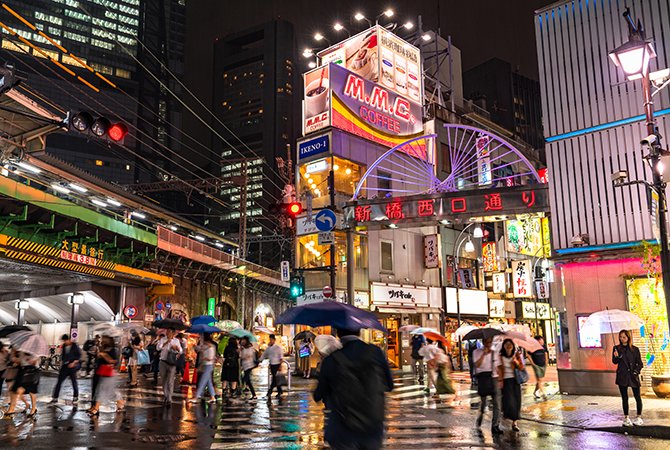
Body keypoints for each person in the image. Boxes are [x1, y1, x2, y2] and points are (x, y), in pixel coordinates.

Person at [314, 328, 394, 450]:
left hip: (342, 427)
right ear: (360, 332)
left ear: (339, 334)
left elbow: (318, 395)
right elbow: (389, 385)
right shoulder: (375, 352)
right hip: (371, 426)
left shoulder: (331, 360)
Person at [613, 329, 644, 426]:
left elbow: (640, 363)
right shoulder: (616, 348)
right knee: (624, 398)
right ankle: (626, 417)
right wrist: (617, 357)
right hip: (622, 376)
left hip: (632, 376)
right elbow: (614, 361)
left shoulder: (635, 349)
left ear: (628, 337)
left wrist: (635, 372)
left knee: (637, 397)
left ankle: (638, 417)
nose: (622, 339)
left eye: (624, 337)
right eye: (620, 337)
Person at [87, 335, 124, 415]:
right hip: (100, 371)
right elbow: (97, 357)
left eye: (104, 338)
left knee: (101, 391)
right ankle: (120, 402)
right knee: (105, 391)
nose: (102, 340)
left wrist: (103, 355)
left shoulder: (113, 350)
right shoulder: (102, 347)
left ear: (109, 340)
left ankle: (96, 408)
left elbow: (113, 361)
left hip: (108, 373)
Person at [473, 337, 502, 434]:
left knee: (497, 403)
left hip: (494, 378)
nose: (488, 344)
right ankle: (480, 416)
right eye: (486, 342)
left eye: (490, 342)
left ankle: (495, 425)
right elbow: (477, 365)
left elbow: (498, 367)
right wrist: (484, 354)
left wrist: (501, 379)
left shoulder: (495, 353)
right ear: (483, 342)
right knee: (483, 402)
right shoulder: (476, 352)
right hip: (483, 378)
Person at [498, 338, 524, 432]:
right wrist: (500, 380)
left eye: (510, 344)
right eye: (506, 344)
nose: (508, 346)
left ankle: (515, 423)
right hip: (506, 380)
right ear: (503, 346)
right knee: (508, 401)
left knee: (517, 401)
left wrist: (516, 361)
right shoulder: (500, 356)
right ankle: (507, 415)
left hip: (515, 380)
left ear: (513, 346)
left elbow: (522, 367)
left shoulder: (516, 355)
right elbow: (499, 368)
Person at [4, 351, 40, 418]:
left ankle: (33, 408)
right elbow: (20, 361)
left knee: (31, 391)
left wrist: (33, 360)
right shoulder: (22, 351)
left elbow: (36, 361)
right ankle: (12, 408)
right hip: (22, 371)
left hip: (32, 371)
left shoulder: (35, 352)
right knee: (15, 389)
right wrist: (15, 360)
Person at [49, 334, 81, 405]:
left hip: (72, 367)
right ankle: (55, 398)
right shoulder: (64, 346)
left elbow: (78, 356)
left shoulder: (75, 346)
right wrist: (61, 363)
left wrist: (74, 363)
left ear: (69, 340)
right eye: (63, 341)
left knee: (74, 382)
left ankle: (75, 397)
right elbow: (63, 356)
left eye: (65, 340)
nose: (64, 342)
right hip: (65, 366)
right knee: (59, 382)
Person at [156, 329, 183, 405]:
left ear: (173, 333)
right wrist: (166, 343)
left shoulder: (176, 341)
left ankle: (169, 398)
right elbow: (158, 348)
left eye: (171, 332)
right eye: (168, 332)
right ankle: (166, 395)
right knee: (164, 379)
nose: (169, 333)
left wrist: (177, 348)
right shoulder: (162, 339)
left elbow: (180, 350)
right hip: (163, 361)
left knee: (170, 381)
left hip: (172, 362)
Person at [190, 334, 217, 403]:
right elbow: (198, 349)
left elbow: (211, 358)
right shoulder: (205, 346)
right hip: (205, 365)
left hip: (209, 366)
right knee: (208, 382)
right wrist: (194, 346)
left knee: (202, 382)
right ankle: (213, 397)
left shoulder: (211, 347)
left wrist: (205, 357)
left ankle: (196, 397)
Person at [261, 334, 284, 401]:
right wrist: (259, 360)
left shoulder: (278, 347)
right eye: (270, 339)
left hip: (277, 364)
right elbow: (264, 355)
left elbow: (281, 357)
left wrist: (280, 365)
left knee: (274, 379)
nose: (270, 341)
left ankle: (270, 391)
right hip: (272, 365)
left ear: (274, 340)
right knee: (275, 379)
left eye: (271, 339)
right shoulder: (268, 348)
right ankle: (279, 391)